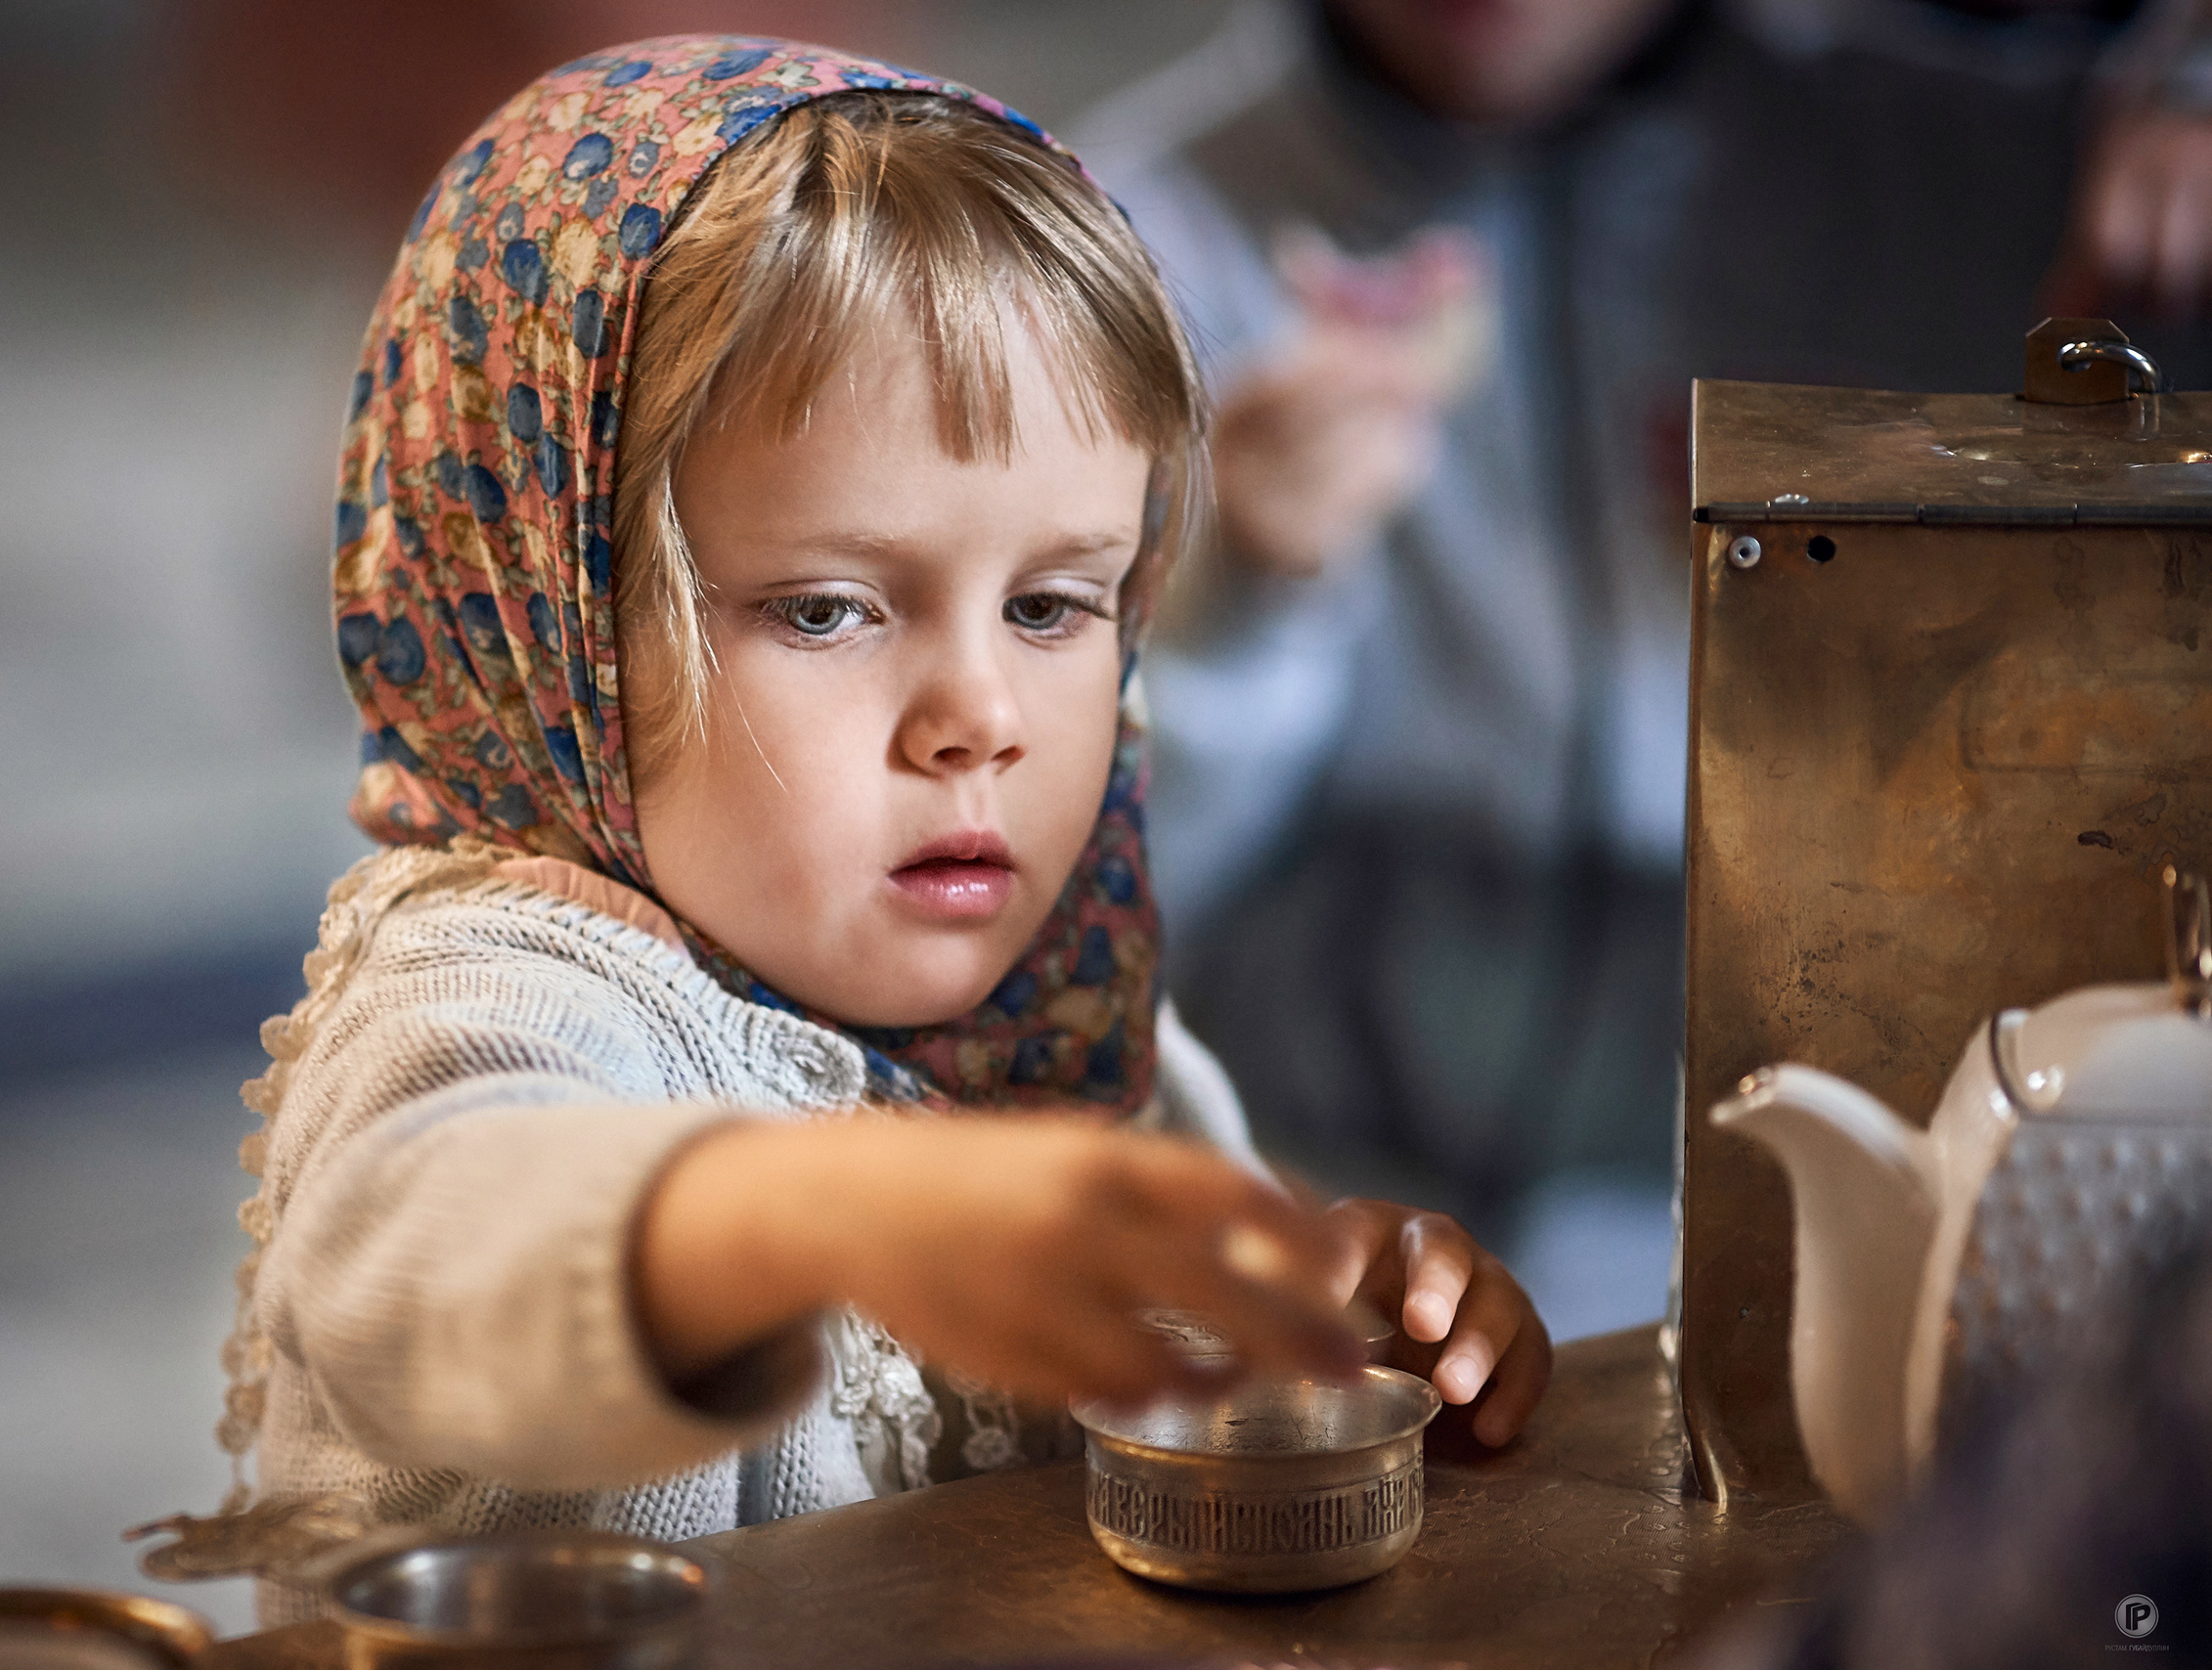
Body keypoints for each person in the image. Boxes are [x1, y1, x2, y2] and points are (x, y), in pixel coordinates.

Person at [208, 39, 1550, 1621]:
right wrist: (824, 1213)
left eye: (1056, 603)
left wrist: (1348, 1323)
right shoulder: (492, 990)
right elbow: (420, 1263)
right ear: (546, 624)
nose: (980, 714)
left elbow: (1179, 1376)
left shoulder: (1063, 1028)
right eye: (832, 608)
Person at [1073, 0, 2212, 1236]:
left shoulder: (1996, 172)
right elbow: (1080, 907)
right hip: (1317, 1214)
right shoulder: (1126, 235)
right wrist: (1234, 604)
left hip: (1867, 1221)